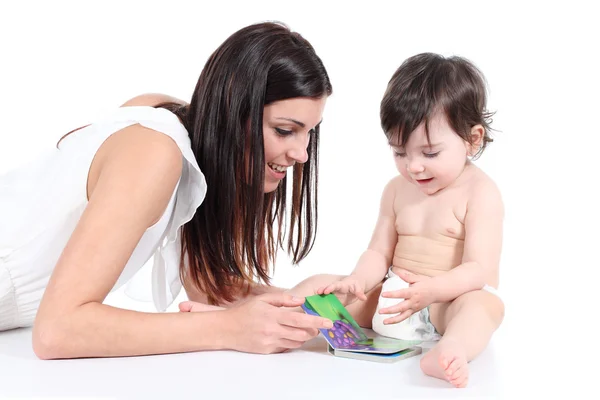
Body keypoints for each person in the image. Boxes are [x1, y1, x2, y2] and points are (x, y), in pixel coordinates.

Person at [0, 21, 336, 359]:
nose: (301, 154)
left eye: (308, 132)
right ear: (234, 108)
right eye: (284, 130)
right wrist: (229, 328)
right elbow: (57, 331)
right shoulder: (154, 149)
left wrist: (312, 305)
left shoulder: (184, 135)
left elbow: (208, 287)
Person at [317, 53, 505, 388]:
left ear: (472, 139)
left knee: (484, 306)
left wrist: (432, 290)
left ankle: (452, 349)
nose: (413, 166)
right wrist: (358, 280)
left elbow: (480, 269)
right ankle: (285, 316)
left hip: (444, 305)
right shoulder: (395, 190)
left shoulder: (480, 192)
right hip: (391, 301)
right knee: (324, 287)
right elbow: (378, 253)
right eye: (400, 152)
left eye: (430, 153)